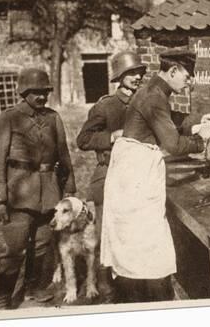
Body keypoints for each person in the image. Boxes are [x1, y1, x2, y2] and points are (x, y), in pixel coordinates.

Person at [100, 50, 210, 303]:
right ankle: (153, 302)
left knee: (135, 241)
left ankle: (141, 296)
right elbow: (172, 144)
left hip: (132, 169)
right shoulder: (154, 96)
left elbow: (164, 121)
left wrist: (195, 124)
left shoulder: (154, 89)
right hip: (135, 174)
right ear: (172, 71)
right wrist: (202, 139)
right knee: (148, 240)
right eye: (187, 75)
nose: (190, 81)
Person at [0, 68, 76, 309]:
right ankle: (3, 295)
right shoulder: (9, 118)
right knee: (14, 248)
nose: (42, 97)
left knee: (41, 245)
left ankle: (33, 287)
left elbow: (63, 153)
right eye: (36, 92)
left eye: (45, 92)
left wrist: (68, 187)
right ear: (24, 92)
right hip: (19, 191)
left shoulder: (53, 117)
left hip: (49, 192)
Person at [76, 51, 147, 295]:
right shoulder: (106, 106)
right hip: (108, 174)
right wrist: (110, 137)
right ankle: (106, 287)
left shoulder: (145, 101)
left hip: (137, 177)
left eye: (139, 72)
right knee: (106, 232)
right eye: (131, 73)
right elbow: (83, 140)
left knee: (134, 231)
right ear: (120, 76)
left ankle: (134, 281)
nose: (137, 77)